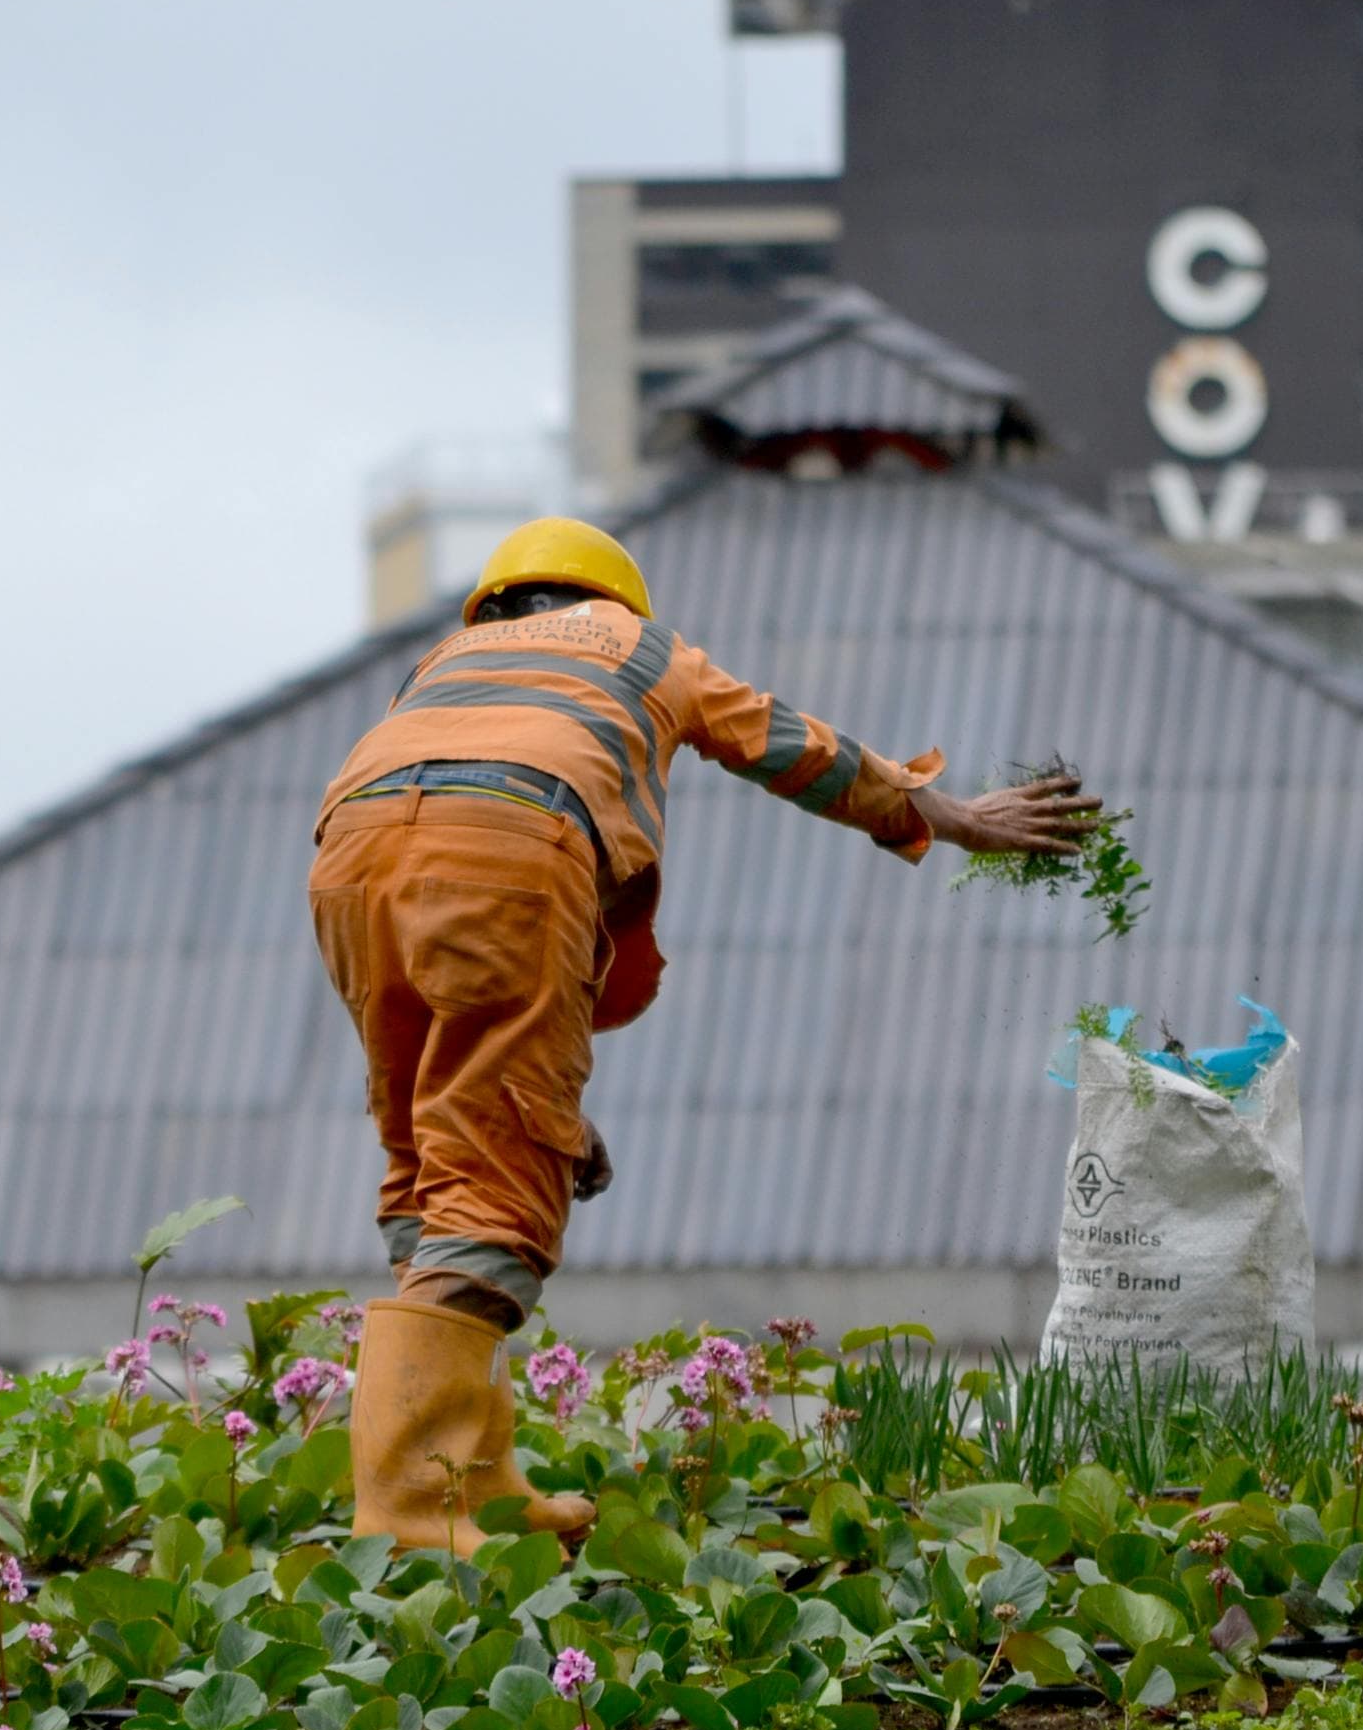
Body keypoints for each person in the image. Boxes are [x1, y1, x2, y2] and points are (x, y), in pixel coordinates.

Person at [307, 516, 1097, 1552]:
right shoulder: (641, 650)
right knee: (500, 1183)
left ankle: (473, 1476)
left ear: (498, 603)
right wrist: (948, 816)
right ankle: (416, 1511)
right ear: (609, 601)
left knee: (428, 1154)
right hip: (512, 841)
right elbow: (790, 746)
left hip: (351, 855)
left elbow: (442, 861)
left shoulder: (441, 665)